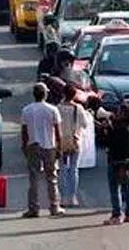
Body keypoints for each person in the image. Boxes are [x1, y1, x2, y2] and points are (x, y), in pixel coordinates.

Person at [21, 82, 65, 218]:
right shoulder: (52, 110)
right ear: (45, 94)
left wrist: (24, 146)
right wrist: (59, 148)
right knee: (51, 177)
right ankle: (54, 206)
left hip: (33, 145)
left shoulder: (27, 110)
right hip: (49, 145)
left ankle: (33, 208)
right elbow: (58, 132)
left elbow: (24, 131)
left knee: (33, 178)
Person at [104, 104, 129, 225]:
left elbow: (110, 142)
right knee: (128, 187)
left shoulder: (120, 129)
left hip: (117, 160)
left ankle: (116, 215)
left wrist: (108, 129)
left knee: (115, 188)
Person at [57, 85, 89, 208]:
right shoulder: (78, 108)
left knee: (62, 169)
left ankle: (63, 198)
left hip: (61, 142)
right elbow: (85, 124)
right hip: (75, 142)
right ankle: (72, 197)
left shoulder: (58, 108)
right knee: (74, 169)